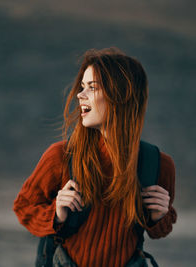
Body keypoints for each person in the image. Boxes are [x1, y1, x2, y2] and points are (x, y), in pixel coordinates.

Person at [13, 47, 177, 267]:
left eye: (92, 87)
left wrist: (159, 216)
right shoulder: (60, 156)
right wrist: (57, 214)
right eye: (82, 87)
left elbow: (161, 229)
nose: (80, 95)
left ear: (121, 95)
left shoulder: (157, 164)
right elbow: (23, 207)